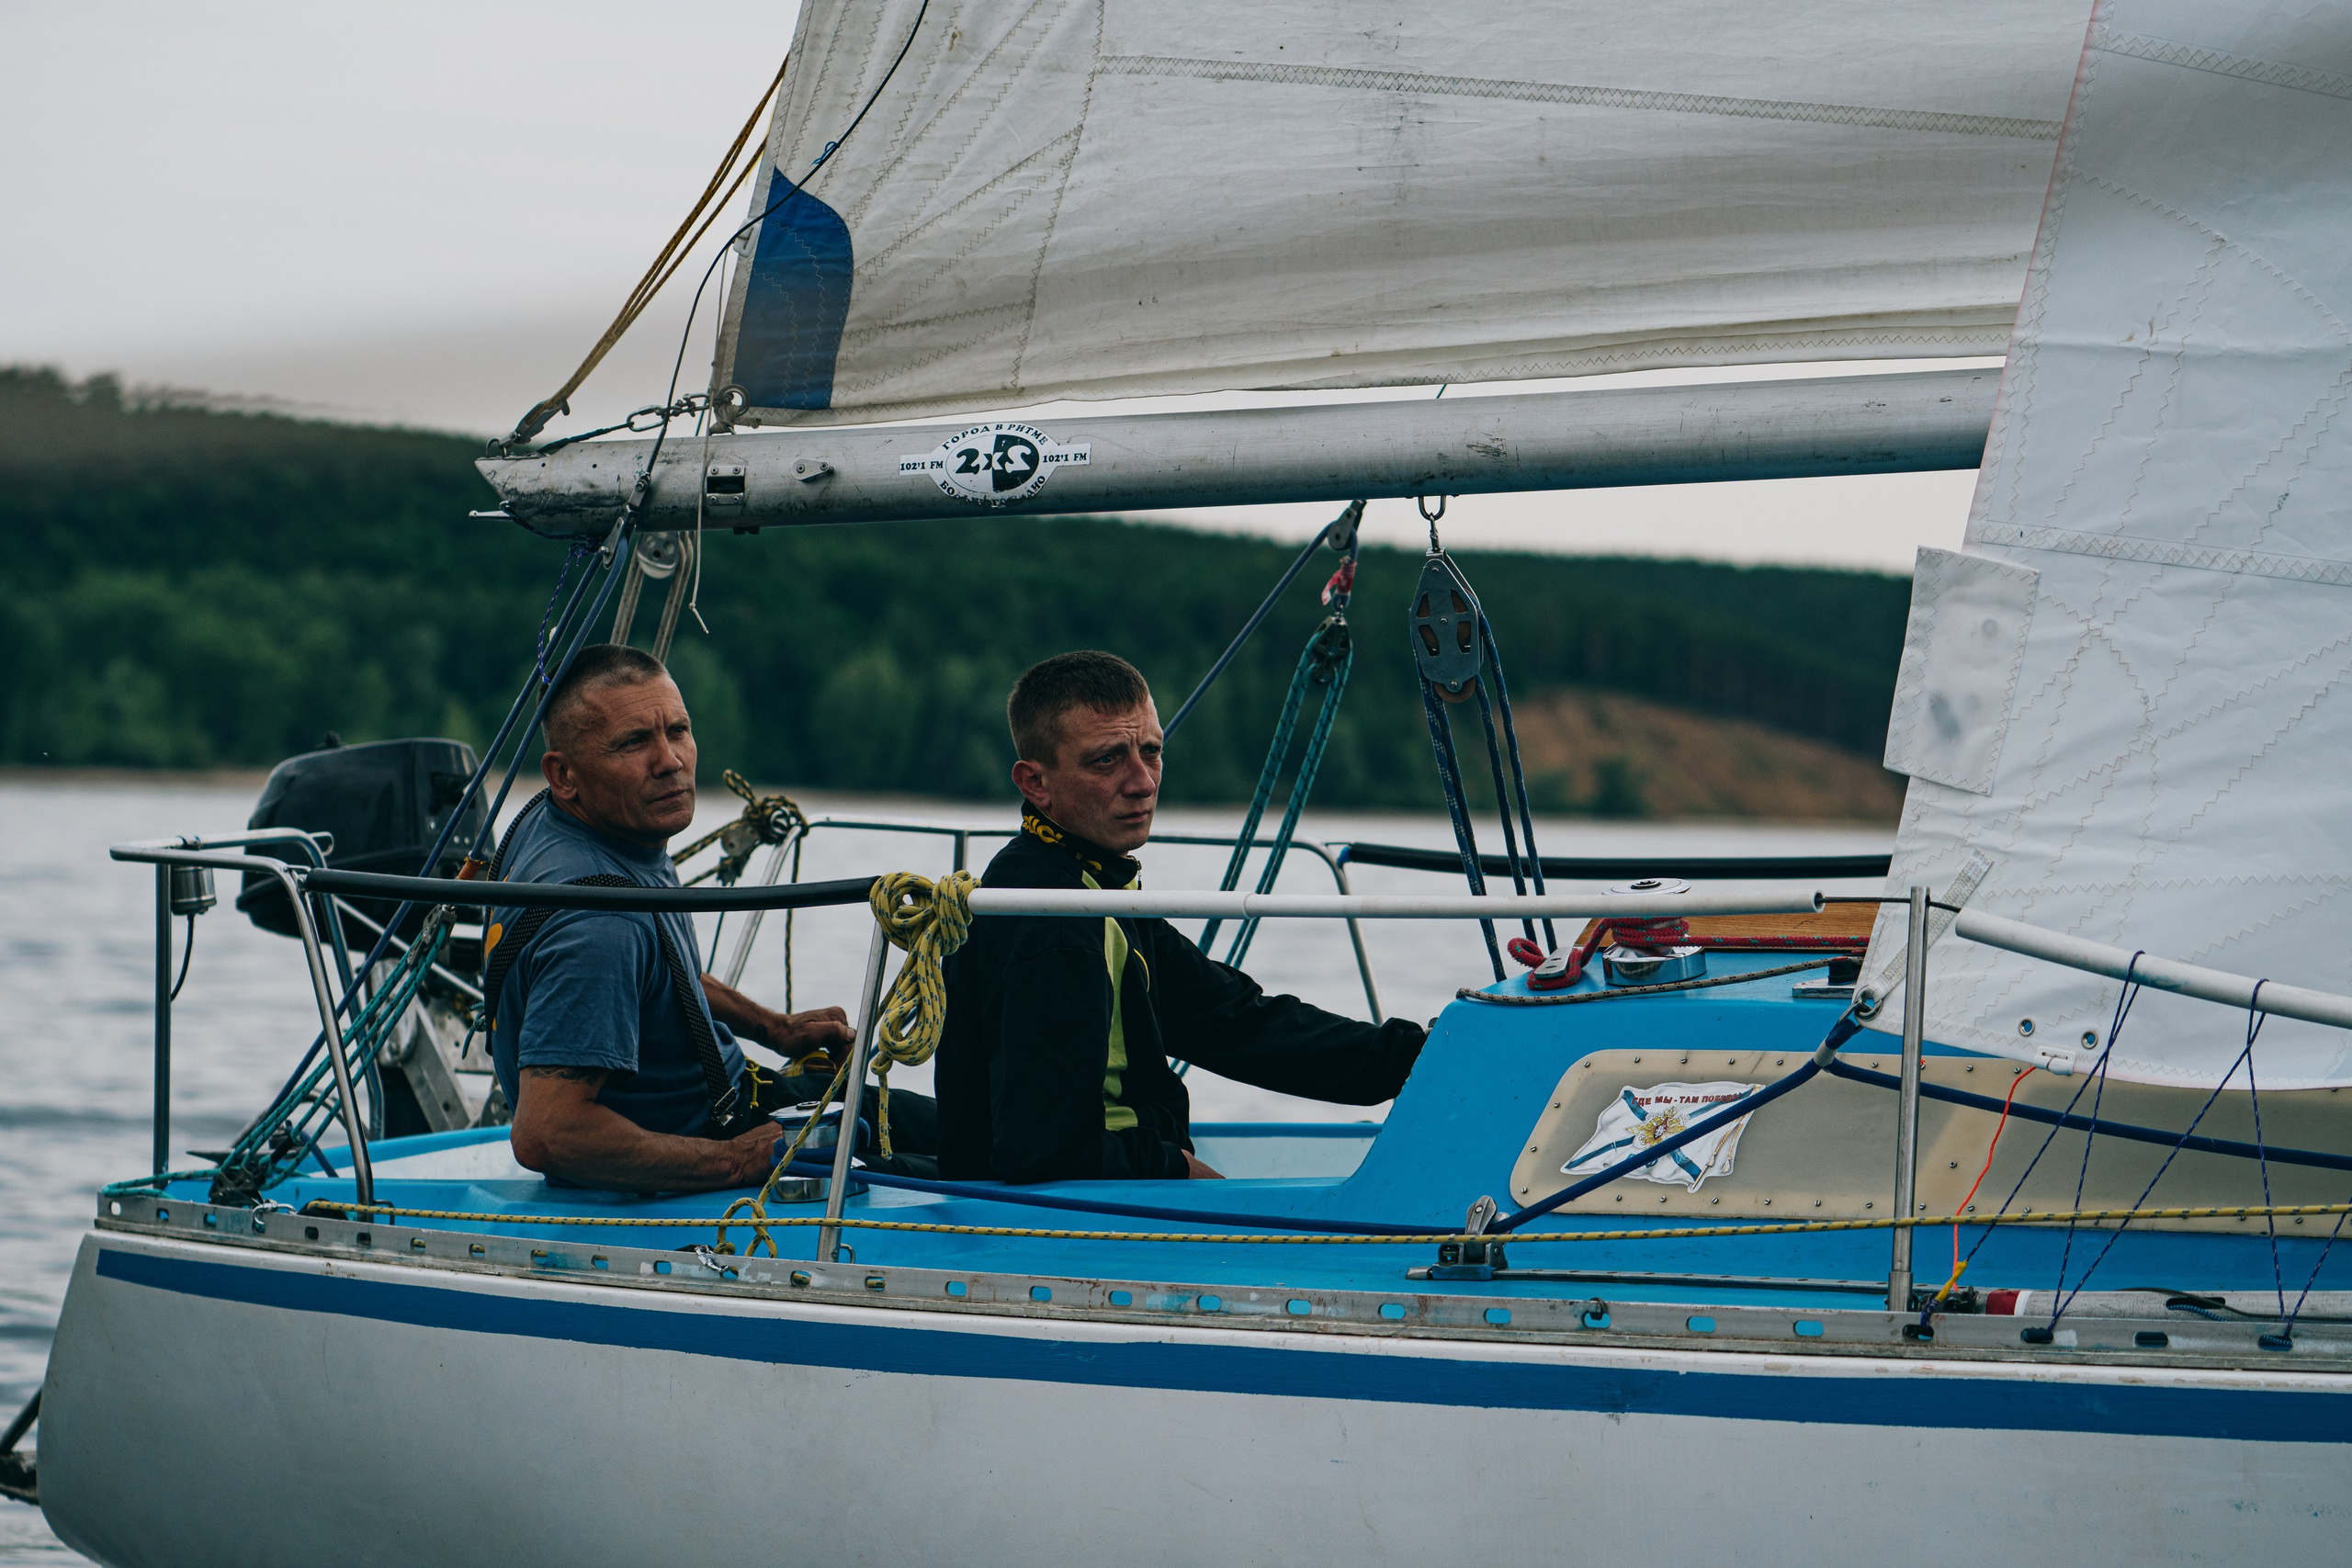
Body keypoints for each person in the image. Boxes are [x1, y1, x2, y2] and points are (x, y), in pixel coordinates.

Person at [936, 650, 1424, 1182]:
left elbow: (1237, 1022)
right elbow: (1044, 1154)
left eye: (1151, 751)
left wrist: (1424, 1058)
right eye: (1107, 760)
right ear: (1035, 783)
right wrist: (1179, 1170)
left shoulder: (1095, 884)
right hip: (1072, 1221)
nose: (1143, 782)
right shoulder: (1054, 921)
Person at [485, 643, 933, 1191]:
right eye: (633, 743)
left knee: (963, 1131)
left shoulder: (567, 824)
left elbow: (657, 971)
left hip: (739, 1094)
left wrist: (774, 1027)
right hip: (704, 1142)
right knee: (975, 1170)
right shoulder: (602, 925)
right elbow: (548, 1134)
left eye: (677, 729)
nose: (670, 760)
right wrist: (736, 1163)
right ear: (563, 774)